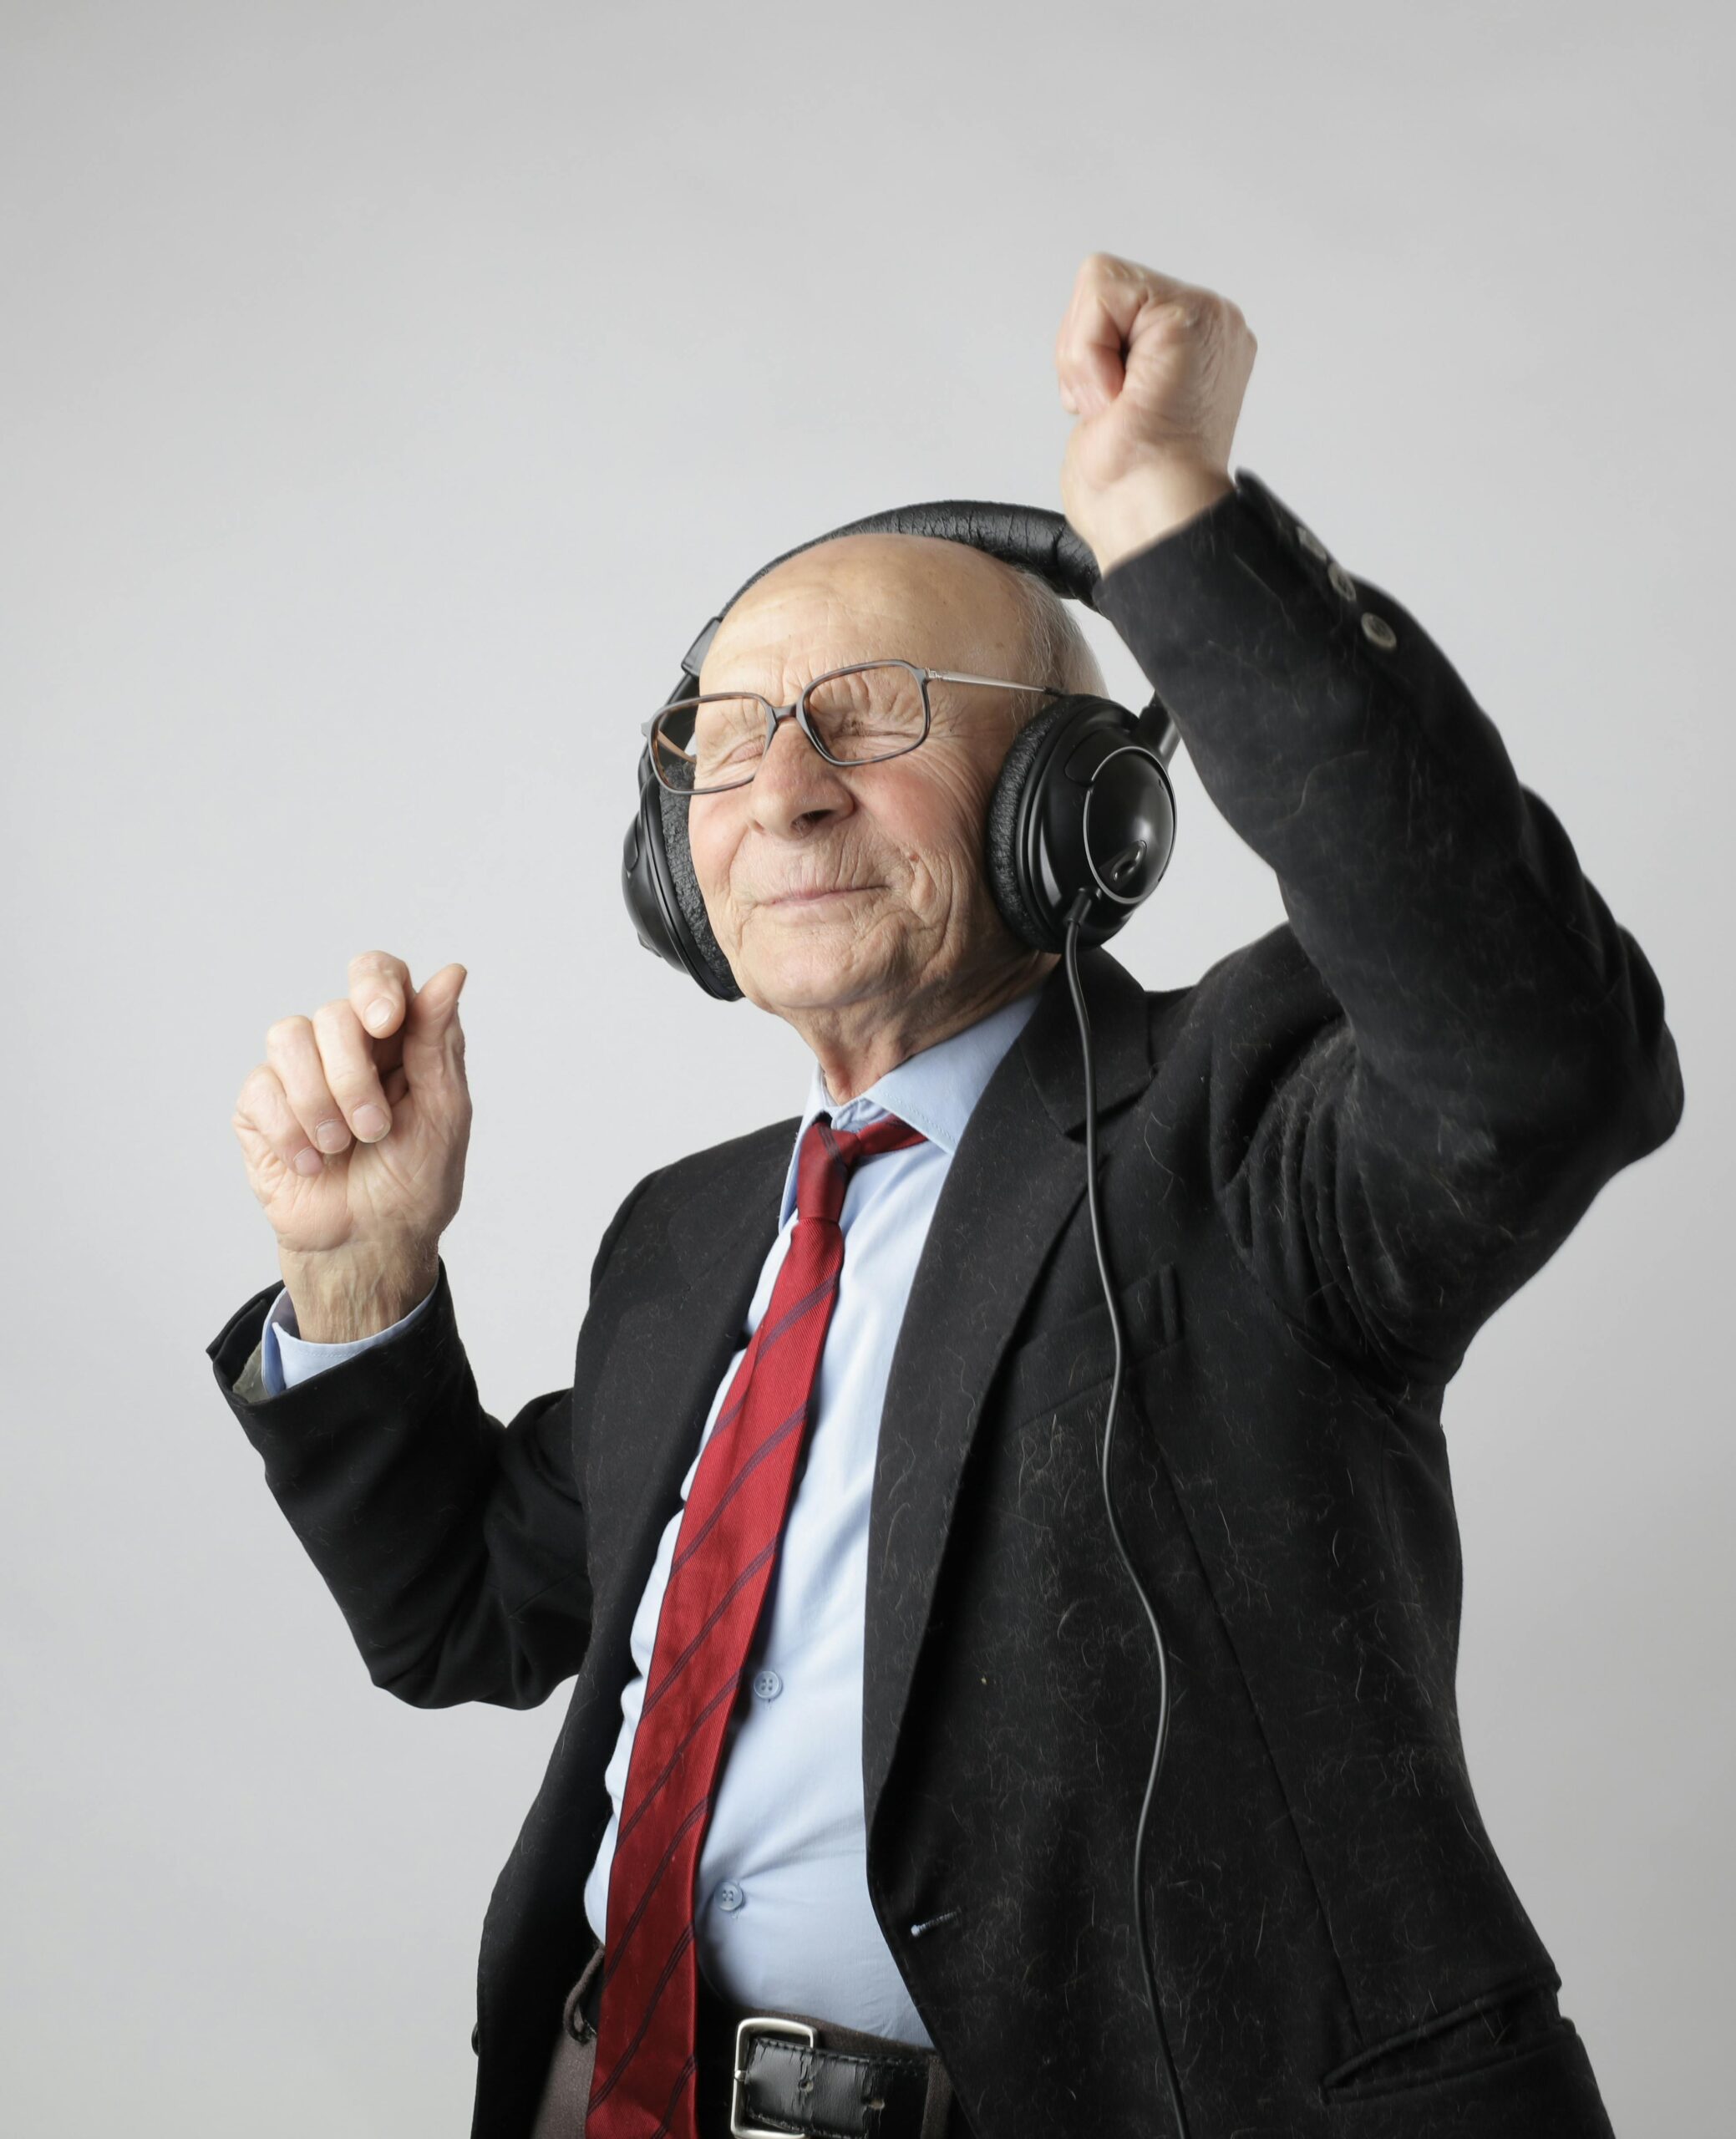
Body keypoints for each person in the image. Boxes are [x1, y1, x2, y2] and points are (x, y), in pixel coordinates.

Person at [209, 251, 1683, 2139]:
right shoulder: (688, 1235)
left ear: (1076, 804)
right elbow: (463, 1619)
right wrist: (358, 1277)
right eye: (724, 737)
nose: (785, 786)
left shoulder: (1238, 1129)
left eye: (873, 710)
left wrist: (1174, 520)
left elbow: (1542, 1055)